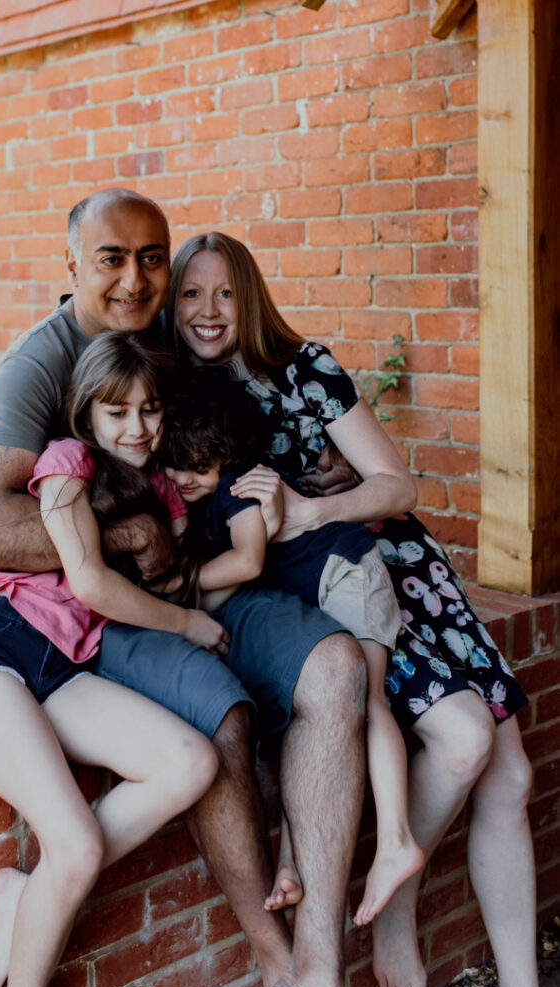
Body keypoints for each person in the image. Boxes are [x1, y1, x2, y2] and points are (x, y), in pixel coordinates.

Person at [0, 187, 392, 987]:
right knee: (221, 724)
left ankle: (319, 971)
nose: (134, 279)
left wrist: (307, 479)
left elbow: (250, 399)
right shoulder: (40, 364)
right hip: (114, 609)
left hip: (222, 569)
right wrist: (130, 535)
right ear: (72, 265)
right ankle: (277, 975)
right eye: (111, 260)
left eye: (150, 258)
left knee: (337, 668)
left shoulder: (170, 325)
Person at [167, 230, 545, 987]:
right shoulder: (173, 391)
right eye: (191, 293)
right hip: (323, 592)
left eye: (225, 292)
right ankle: (394, 907)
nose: (208, 311)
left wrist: (318, 507)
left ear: (250, 295)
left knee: (510, 776)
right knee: (466, 743)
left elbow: (394, 482)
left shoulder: (304, 366)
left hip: (396, 565)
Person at [0, 332, 223, 987]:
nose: (136, 428)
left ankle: (24, 892)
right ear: (86, 413)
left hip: (62, 664)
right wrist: (185, 627)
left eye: (149, 410)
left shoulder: (159, 489)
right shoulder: (68, 463)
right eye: (116, 412)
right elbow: (90, 582)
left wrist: (233, 507)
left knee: (190, 763)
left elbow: (177, 580)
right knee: (78, 844)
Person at [162, 363, 425, 926]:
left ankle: (397, 839)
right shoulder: (208, 489)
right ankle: (292, 867)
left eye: (198, 467)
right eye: (175, 464)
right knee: (311, 725)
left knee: (367, 703)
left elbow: (248, 560)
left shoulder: (237, 488)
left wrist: (177, 585)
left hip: (347, 574)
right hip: (325, 585)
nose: (184, 477)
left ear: (223, 456)